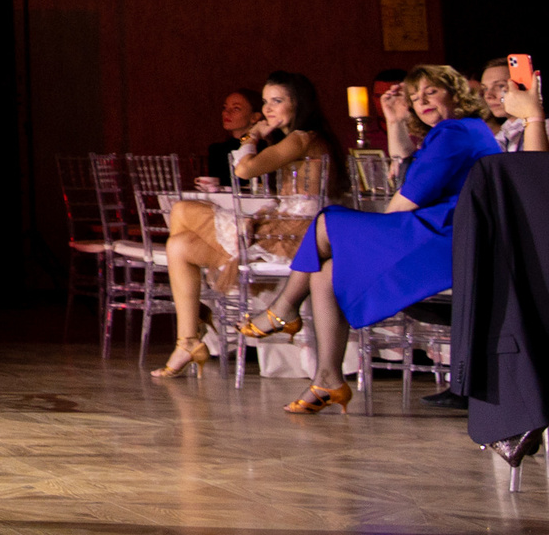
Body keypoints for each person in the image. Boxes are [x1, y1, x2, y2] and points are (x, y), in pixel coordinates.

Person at [238, 63, 497, 414]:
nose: (421, 101)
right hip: (446, 234)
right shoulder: (461, 130)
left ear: (456, 93)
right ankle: (328, 379)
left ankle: (283, 309)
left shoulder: (454, 132)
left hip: (445, 239)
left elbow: (403, 204)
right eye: (415, 96)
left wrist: (373, 238)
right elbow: (406, 170)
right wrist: (393, 121)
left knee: (327, 222)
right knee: (326, 272)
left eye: (431, 92)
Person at [150, 73, 333, 379]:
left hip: (294, 236)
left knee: (181, 210)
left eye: (277, 101)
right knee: (178, 245)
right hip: (280, 226)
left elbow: (244, 170)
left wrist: (252, 136)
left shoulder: (303, 138)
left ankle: (198, 315)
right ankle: (188, 340)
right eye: (265, 102)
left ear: (298, 103)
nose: (269, 109)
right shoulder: (295, 139)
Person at [206, 89, 262, 183]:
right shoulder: (217, 150)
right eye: (224, 107)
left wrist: (250, 136)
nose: (226, 113)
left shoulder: (263, 147)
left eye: (236, 108)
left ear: (254, 117)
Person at [479, 58, 526, 153]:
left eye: (500, 86)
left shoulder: (544, 129)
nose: (489, 96)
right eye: (485, 88)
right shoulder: (504, 133)